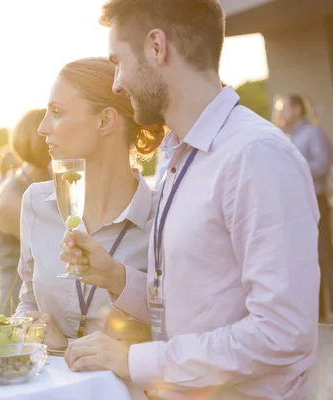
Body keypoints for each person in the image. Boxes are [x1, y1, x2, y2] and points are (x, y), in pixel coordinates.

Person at [62, 1, 320, 398]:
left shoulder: (256, 156)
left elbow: (282, 333)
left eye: (118, 61)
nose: (115, 83)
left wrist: (133, 360)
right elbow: (197, 309)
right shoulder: (176, 156)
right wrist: (114, 276)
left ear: (156, 47)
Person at [13, 57, 163, 349]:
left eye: (56, 112)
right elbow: (28, 301)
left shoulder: (164, 217)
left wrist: (65, 346)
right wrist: (30, 333)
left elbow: (180, 328)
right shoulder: (36, 203)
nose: (42, 128)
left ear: (105, 121)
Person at [0, 108, 51, 316]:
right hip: (18, 311)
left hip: (44, 309)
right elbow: (56, 248)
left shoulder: (44, 184)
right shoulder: (12, 197)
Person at [279, 93, 333, 322]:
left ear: (298, 110)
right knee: (307, 259)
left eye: (285, 108)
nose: (281, 113)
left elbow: (322, 164)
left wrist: (294, 168)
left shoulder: (313, 133)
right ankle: (318, 315)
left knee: (323, 257)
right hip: (296, 205)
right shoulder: (286, 137)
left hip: (316, 200)